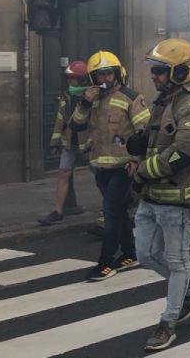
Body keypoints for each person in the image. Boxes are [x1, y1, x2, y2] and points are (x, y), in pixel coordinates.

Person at [127, 38, 190, 351]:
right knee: (145, 254)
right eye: (154, 70)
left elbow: (183, 153)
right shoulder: (160, 103)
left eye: (160, 70)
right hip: (151, 196)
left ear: (179, 72)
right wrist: (137, 147)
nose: (154, 76)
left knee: (177, 261)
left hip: (178, 199)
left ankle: (168, 322)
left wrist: (142, 172)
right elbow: (155, 143)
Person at [70, 51, 149, 281]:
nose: (105, 79)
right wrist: (85, 102)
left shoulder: (131, 97)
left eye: (108, 73)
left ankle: (105, 263)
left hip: (124, 167)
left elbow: (143, 132)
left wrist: (137, 160)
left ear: (116, 73)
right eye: (100, 75)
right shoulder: (90, 100)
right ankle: (130, 252)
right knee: (119, 212)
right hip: (100, 167)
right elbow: (75, 125)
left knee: (111, 212)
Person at [38, 61, 89, 225]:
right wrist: (54, 142)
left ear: (81, 80)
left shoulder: (92, 96)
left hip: (88, 143)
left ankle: (108, 210)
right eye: (68, 78)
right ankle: (58, 212)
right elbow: (60, 120)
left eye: (72, 78)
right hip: (69, 143)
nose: (69, 82)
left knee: (102, 176)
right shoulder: (66, 97)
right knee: (63, 174)